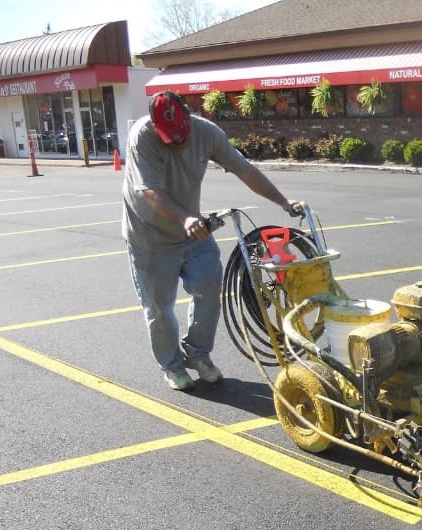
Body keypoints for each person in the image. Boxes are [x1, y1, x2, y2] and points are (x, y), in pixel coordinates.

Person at [122, 90, 301, 390]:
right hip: (149, 238)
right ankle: (173, 366)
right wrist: (186, 218)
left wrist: (283, 202)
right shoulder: (142, 137)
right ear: (155, 127)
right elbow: (150, 191)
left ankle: (197, 353)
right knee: (159, 308)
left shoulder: (206, 132)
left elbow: (245, 171)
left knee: (209, 287)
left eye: (182, 135)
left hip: (193, 232)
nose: (179, 142)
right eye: (171, 138)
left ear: (188, 117)